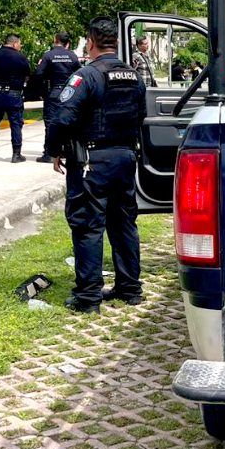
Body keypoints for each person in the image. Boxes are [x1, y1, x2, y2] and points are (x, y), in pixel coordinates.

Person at [47, 17, 148, 314]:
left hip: (92, 161)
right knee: (124, 223)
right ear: (115, 41)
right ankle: (130, 289)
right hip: (125, 159)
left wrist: (55, 151)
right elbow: (140, 115)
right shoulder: (134, 76)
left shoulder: (86, 76)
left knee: (88, 226)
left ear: (90, 42)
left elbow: (62, 118)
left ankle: (88, 297)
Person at [0, 33, 31, 163]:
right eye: (19, 44)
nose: (20, 47)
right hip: (14, 95)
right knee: (15, 124)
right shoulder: (21, 57)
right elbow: (27, 76)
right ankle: (16, 154)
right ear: (14, 44)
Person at [33, 32, 80, 163]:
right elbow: (79, 74)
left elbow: (38, 74)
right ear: (68, 44)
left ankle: (49, 153)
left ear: (54, 40)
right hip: (69, 93)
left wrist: (40, 91)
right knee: (68, 122)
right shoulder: (73, 56)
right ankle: (66, 150)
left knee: (50, 123)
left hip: (53, 92)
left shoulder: (48, 55)